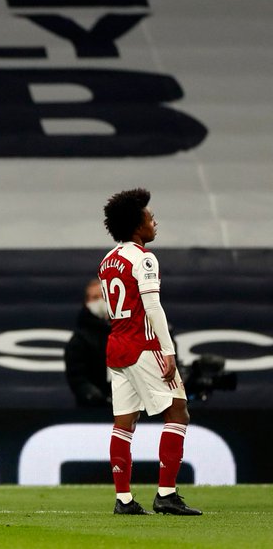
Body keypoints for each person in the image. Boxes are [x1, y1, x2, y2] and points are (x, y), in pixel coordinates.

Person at [98, 189, 201, 516]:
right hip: (142, 345)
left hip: (116, 346)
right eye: (149, 217)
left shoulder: (107, 261)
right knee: (178, 411)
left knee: (124, 422)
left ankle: (124, 499)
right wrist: (168, 350)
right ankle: (166, 494)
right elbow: (152, 306)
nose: (154, 222)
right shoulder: (143, 258)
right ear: (136, 224)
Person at [64, 278, 112, 407]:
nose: (101, 301)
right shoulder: (80, 339)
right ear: (87, 302)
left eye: (104, 297)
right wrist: (94, 395)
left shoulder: (129, 331)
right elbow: (76, 377)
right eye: (95, 298)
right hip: (94, 409)